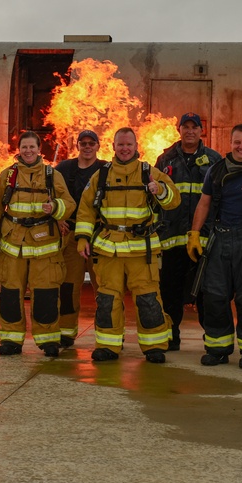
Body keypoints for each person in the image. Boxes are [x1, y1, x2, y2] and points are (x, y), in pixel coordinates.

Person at [74, 127, 180, 363]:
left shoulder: (148, 173)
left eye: (129, 145)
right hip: (109, 249)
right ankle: (108, 346)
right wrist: (82, 238)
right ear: (113, 147)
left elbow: (174, 200)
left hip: (142, 251)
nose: (124, 149)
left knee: (148, 299)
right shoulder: (101, 176)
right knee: (107, 300)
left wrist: (160, 190)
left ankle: (154, 347)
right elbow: (86, 210)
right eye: (120, 144)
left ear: (136, 146)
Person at [188, 124, 242, 369]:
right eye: (237, 142)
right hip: (220, 239)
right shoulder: (215, 171)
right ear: (230, 143)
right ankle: (218, 349)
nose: (241, 147)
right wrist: (194, 234)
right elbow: (204, 204)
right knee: (215, 296)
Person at [0, 131, 75, 357]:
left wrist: (55, 208)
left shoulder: (52, 175)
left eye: (32, 147)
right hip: (12, 246)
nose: (28, 151)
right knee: (10, 294)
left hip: (45, 247)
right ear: (19, 150)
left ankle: (48, 341)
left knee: (45, 294)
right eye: (24, 147)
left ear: (39, 149)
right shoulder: (8, 176)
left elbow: (69, 204)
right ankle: (11, 340)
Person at [155, 112, 222, 350]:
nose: (190, 131)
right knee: (170, 291)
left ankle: (213, 340)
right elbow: (155, 200)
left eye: (195, 127)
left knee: (207, 292)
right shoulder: (165, 160)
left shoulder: (214, 160)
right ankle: (171, 337)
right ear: (179, 129)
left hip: (204, 240)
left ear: (202, 131)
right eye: (186, 127)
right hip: (172, 240)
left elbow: (220, 200)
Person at [55, 129, 105, 347]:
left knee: (105, 287)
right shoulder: (65, 169)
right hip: (71, 237)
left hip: (99, 237)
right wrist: (58, 217)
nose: (87, 146)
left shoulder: (106, 169)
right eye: (83, 143)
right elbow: (49, 191)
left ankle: (110, 333)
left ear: (98, 146)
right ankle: (66, 332)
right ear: (77, 146)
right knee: (68, 287)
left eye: (91, 143)